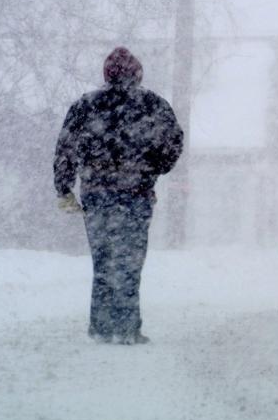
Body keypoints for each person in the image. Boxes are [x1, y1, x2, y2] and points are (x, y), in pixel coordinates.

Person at [54, 47, 183, 345]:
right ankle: (127, 328)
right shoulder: (153, 105)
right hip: (136, 194)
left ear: (106, 74)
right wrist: (154, 167)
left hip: (97, 193)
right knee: (130, 261)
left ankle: (101, 326)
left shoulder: (85, 106)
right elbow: (174, 141)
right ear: (137, 74)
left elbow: (66, 149)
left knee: (103, 260)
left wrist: (64, 188)